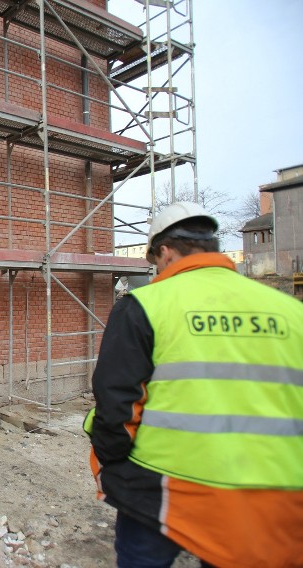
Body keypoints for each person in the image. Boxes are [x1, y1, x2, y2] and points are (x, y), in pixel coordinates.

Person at [83, 202, 303, 567]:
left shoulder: (146, 305)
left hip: (164, 491)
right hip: (272, 495)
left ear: (165, 252)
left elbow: (116, 403)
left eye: (154, 263)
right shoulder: (290, 312)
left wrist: (111, 465)